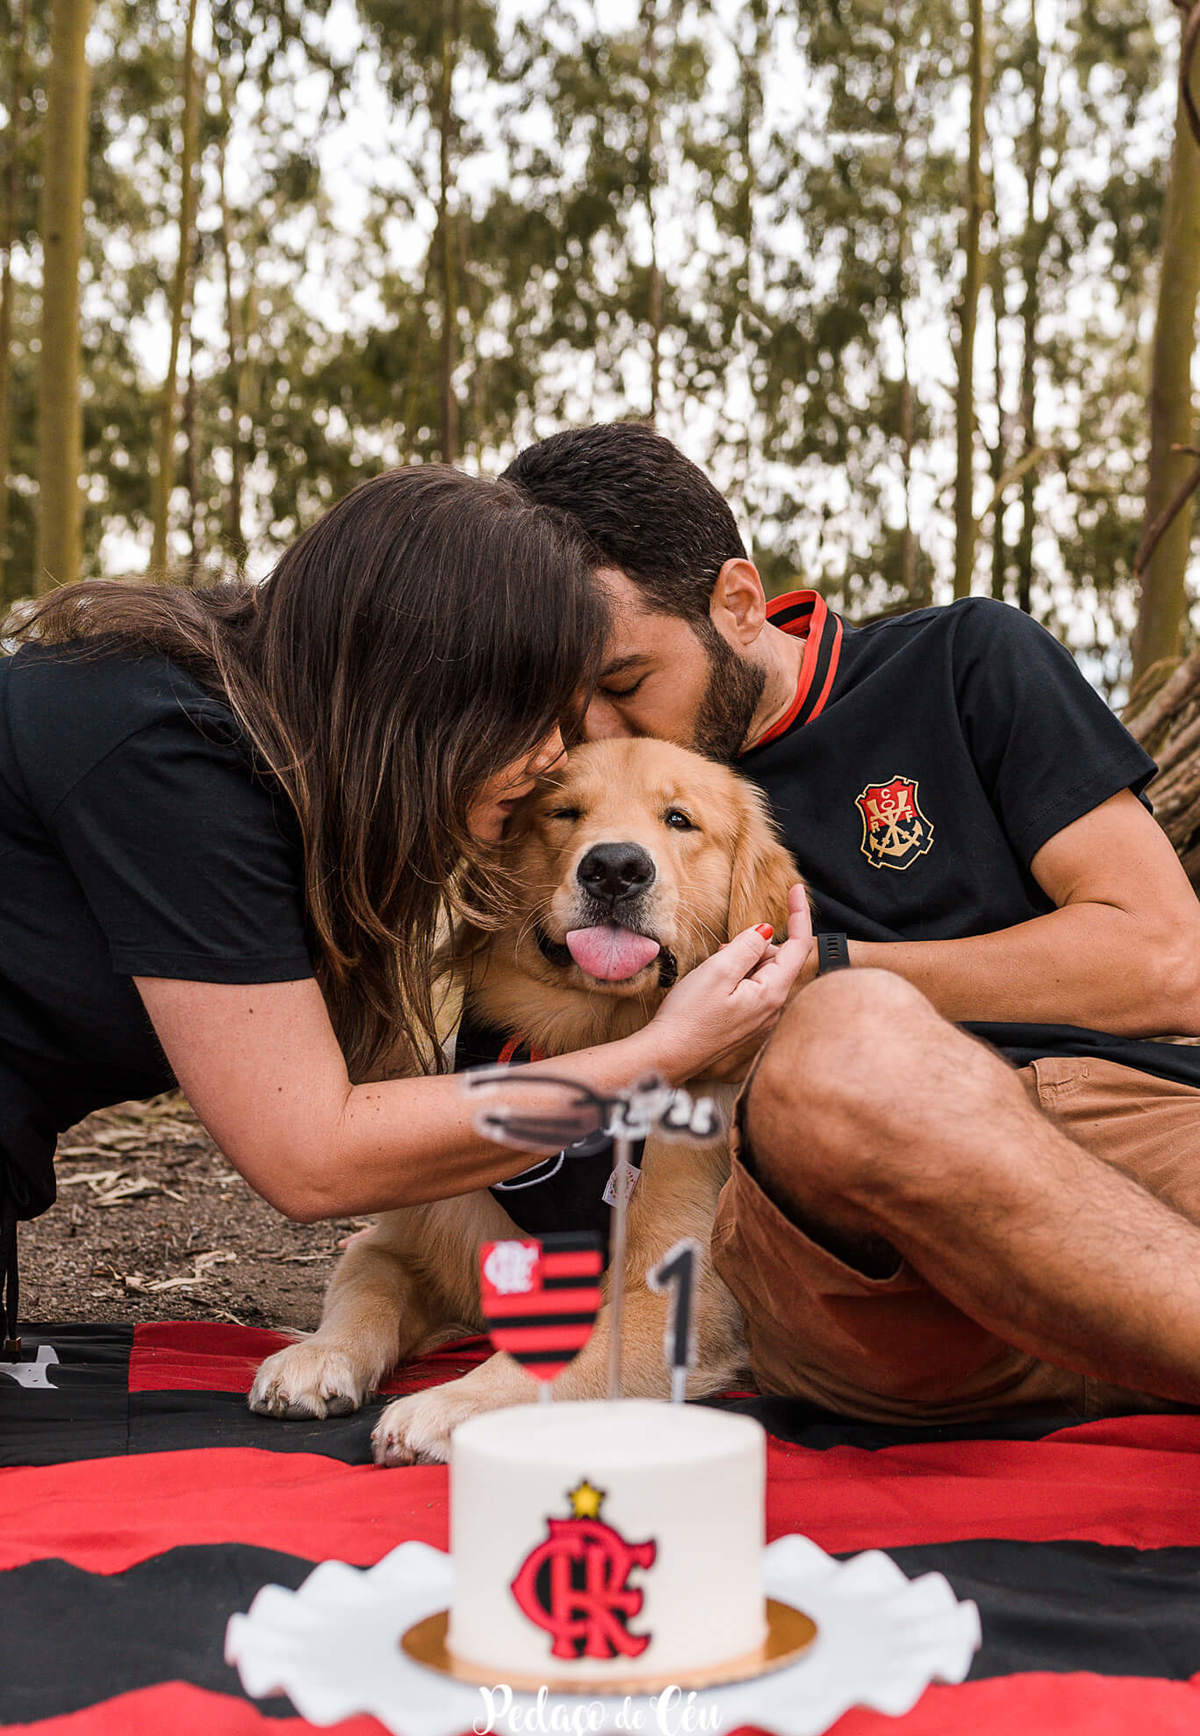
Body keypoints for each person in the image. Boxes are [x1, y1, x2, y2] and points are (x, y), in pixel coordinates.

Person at [0, 464, 810, 1360]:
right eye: (529, 710)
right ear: (419, 690)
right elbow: (312, 1157)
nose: (554, 754)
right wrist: (664, 1054)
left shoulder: (281, 783)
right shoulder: (169, 756)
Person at [503, 421, 1200, 1421]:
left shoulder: (963, 661)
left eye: (624, 684)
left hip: (1122, 1115)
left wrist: (827, 970)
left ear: (738, 603)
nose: (601, 736)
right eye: (573, 710)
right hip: (853, 1252)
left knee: (845, 1019)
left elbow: (1169, 958)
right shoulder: (572, 816)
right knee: (840, 1051)